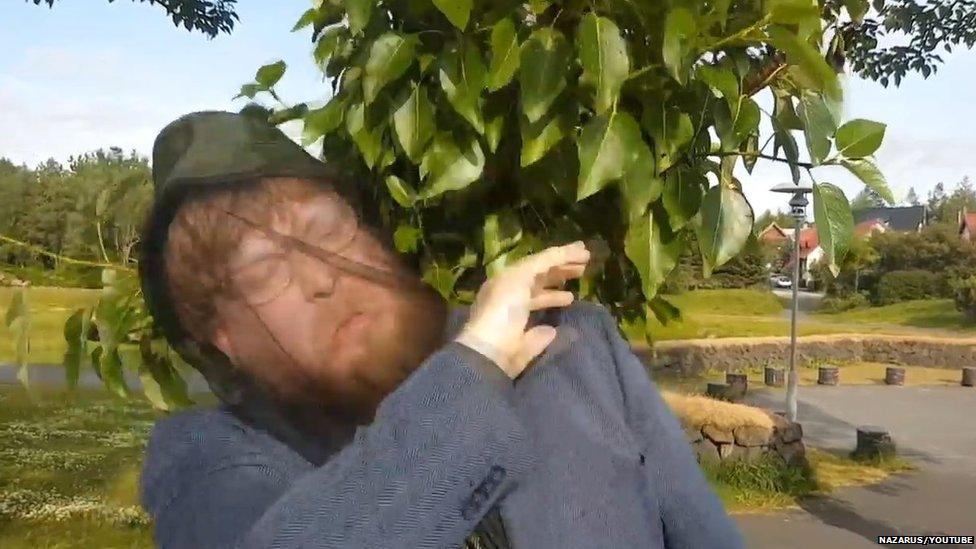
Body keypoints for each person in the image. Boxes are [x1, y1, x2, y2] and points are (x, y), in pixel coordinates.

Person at [138, 110, 744, 549]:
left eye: (327, 230)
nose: (321, 277)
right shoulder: (208, 456)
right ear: (223, 339)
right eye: (263, 269)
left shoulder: (575, 346)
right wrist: (474, 368)